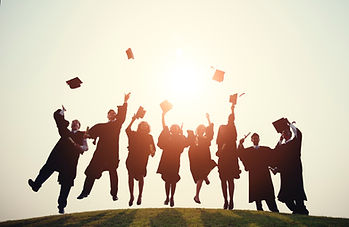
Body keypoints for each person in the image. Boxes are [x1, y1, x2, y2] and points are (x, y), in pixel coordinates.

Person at [28, 108, 88, 214]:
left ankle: (61, 206)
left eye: (76, 123)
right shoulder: (65, 133)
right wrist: (62, 112)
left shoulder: (81, 135)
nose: (74, 124)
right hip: (58, 157)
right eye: (73, 123)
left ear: (79, 126)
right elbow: (60, 122)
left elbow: (86, 147)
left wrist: (79, 147)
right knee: (46, 169)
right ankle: (36, 185)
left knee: (66, 184)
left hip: (70, 162)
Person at [77, 93, 130, 201]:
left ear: (115, 115)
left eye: (113, 113)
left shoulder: (117, 124)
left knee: (113, 173)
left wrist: (125, 101)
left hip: (112, 153)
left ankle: (114, 194)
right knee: (91, 172)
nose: (112, 114)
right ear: (107, 116)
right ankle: (85, 192)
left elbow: (122, 116)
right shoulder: (101, 126)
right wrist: (88, 135)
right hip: (100, 153)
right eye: (110, 113)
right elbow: (90, 133)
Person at [273, 122, 309, 215]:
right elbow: (275, 155)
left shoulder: (295, 143)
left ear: (290, 133)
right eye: (283, 133)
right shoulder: (281, 146)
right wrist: (280, 140)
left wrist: (290, 125)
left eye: (287, 132)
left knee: (297, 194)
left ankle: (302, 210)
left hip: (295, 172)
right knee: (286, 197)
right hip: (285, 174)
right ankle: (297, 210)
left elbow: (299, 134)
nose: (285, 134)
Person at [156, 108, 189, 207]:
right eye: (173, 128)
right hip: (166, 159)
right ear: (171, 129)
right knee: (167, 180)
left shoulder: (180, 137)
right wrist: (163, 115)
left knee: (173, 179)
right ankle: (167, 197)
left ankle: (172, 197)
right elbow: (164, 125)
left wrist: (182, 133)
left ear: (178, 129)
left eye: (176, 128)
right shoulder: (167, 135)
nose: (174, 129)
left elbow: (185, 143)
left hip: (175, 160)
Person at [238, 133, 279, 212]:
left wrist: (280, 141)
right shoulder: (248, 151)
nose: (255, 139)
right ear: (251, 140)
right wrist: (240, 144)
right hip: (254, 175)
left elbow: (274, 152)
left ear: (259, 139)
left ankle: (274, 210)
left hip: (264, 174)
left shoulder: (265, 149)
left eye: (256, 138)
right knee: (257, 194)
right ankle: (259, 210)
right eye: (253, 138)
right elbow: (241, 154)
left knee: (268, 194)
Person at [125, 111, 155, 206]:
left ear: (148, 127)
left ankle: (140, 195)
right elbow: (127, 130)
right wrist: (133, 120)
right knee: (130, 176)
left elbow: (152, 147)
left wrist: (152, 152)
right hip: (132, 157)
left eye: (146, 125)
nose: (144, 126)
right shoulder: (134, 134)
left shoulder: (149, 136)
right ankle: (131, 196)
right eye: (142, 124)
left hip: (142, 158)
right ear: (139, 126)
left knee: (141, 176)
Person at [216, 102, 241, 210]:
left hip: (231, 157)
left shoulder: (233, 128)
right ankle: (225, 200)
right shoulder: (221, 127)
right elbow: (218, 141)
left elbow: (234, 137)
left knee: (230, 180)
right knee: (223, 180)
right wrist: (220, 149)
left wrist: (232, 109)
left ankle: (231, 200)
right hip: (223, 156)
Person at [188, 113, 217, 204]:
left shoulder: (206, 137)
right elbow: (190, 145)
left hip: (205, 156)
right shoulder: (195, 137)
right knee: (200, 177)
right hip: (197, 158)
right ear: (198, 130)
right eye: (200, 129)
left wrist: (208, 119)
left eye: (203, 129)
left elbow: (211, 132)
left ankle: (205, 176)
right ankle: (197, 196)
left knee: (212, 164)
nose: (202, 130)